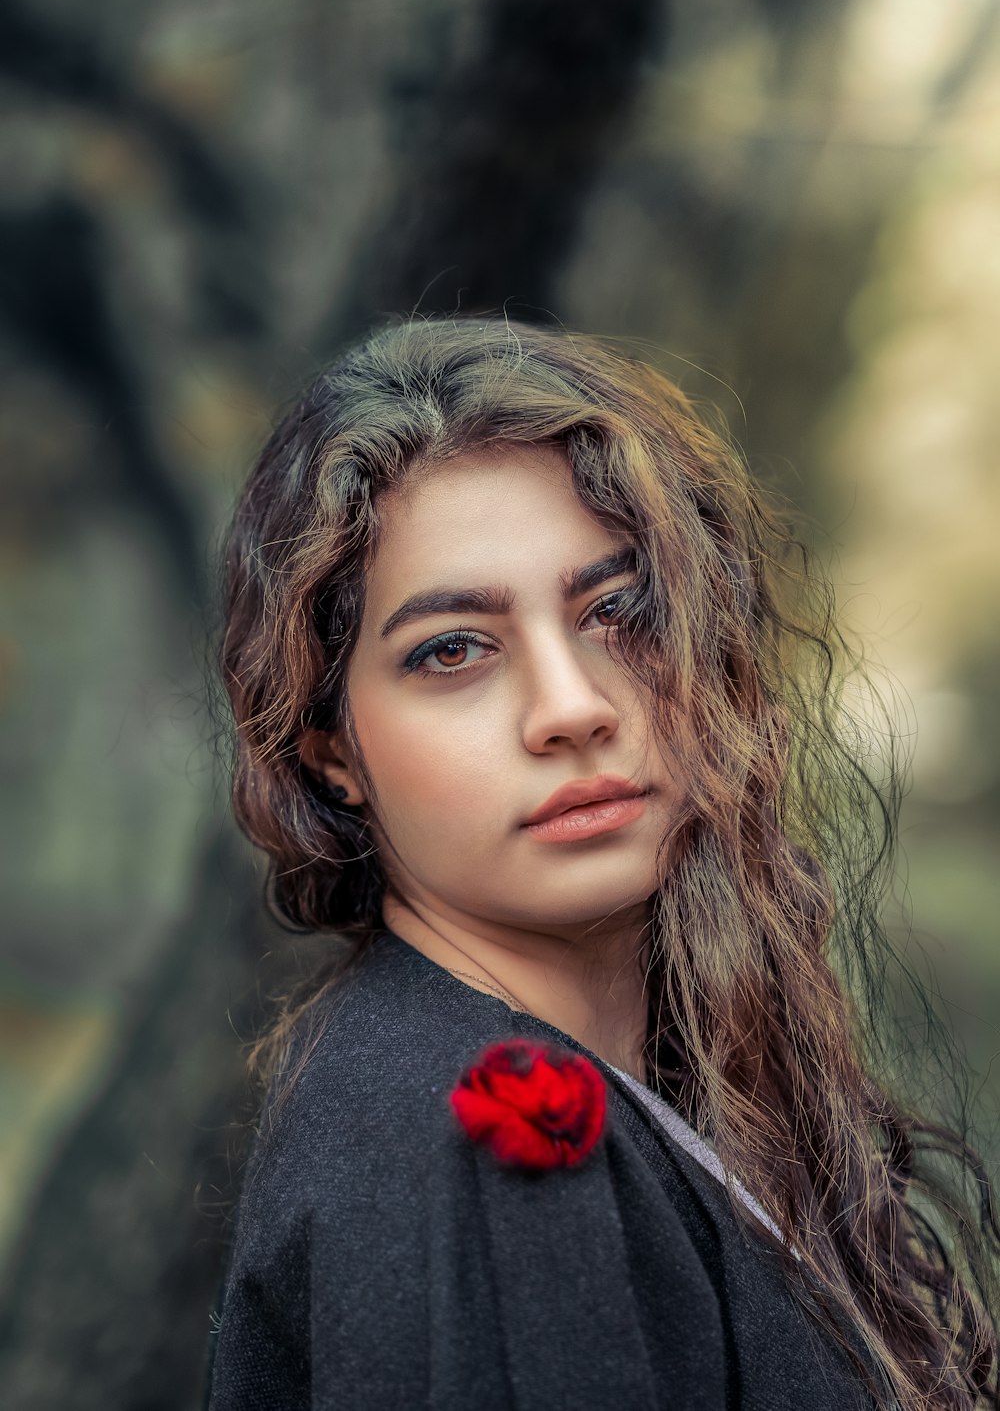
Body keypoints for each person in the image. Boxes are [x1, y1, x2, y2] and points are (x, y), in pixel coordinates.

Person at [204, 314, 999, 1410]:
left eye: (618, 612)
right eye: (452, 650)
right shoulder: (485, 1140)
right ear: (331, 752)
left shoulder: (615, 1077)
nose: (571, 708)